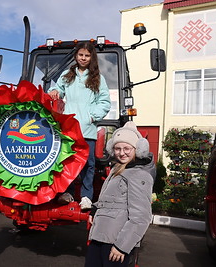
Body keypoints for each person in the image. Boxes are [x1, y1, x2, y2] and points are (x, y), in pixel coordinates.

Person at [48, 41, 111, 210]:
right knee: (66, 162)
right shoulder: (68, 75)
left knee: (88, 165)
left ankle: (86, 197)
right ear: (76, 56)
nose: (83, 58)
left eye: (87, 55)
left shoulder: (97, 78)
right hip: (68, 129)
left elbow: (104, 102)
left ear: (92, 57)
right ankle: (66, 193)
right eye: (81, 55)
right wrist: (54, 91)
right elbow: (57, 89)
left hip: (87, 130)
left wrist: (91, 117)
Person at [85, 121, 155, 267]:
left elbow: (141, 217)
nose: (122, 153)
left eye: (127, 148)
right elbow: (112, 199)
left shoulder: (139, 175)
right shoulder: (117, 169)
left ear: (138, 149)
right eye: (117, 148)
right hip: (100, 237)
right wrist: (96, 208)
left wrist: (121, 246)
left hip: (115, 244)